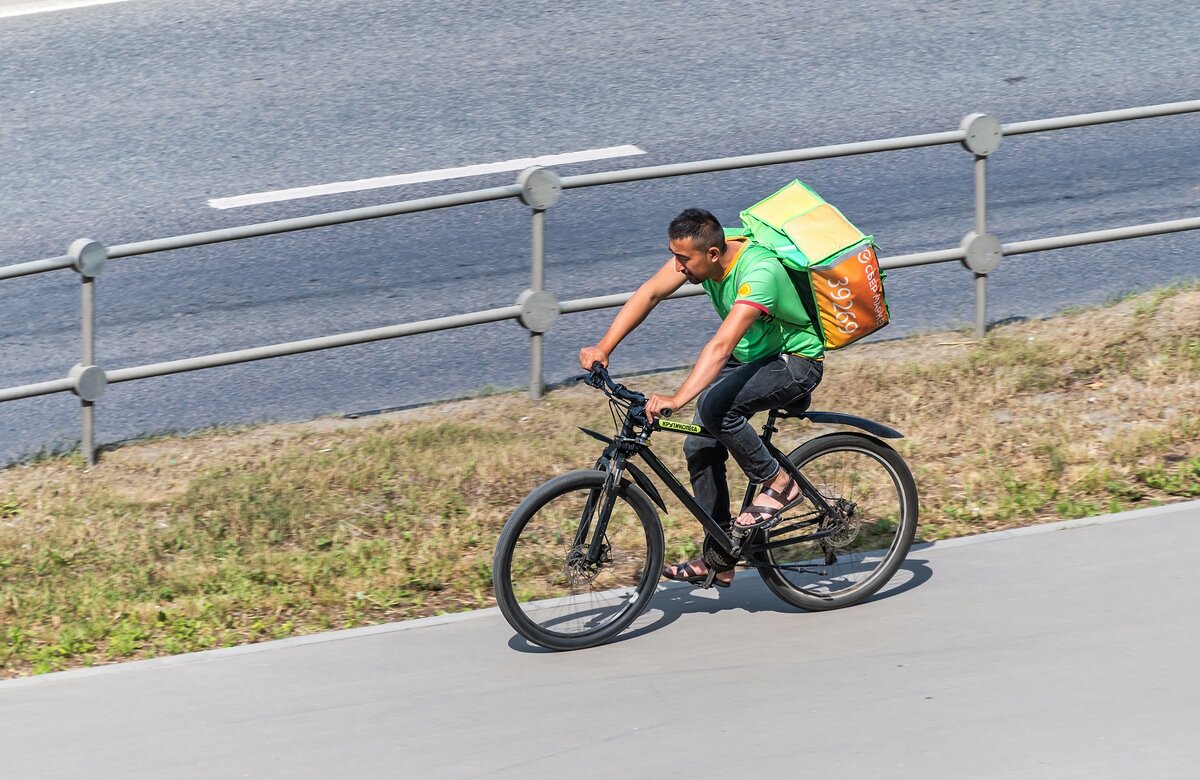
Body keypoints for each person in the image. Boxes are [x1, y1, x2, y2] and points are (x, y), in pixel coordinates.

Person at [579, 208, 825, 588]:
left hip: (795, 361)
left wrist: (677, 398)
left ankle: (779, 484)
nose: (677, 268)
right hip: (754, 353)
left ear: (712, 255)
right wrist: (604, 347)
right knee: (698, 445)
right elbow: (650, 292)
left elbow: (721, 347)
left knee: (714, 410)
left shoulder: (759, 274)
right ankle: (721, 558)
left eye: (683, 260)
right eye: (674, 257)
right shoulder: (704, 249)